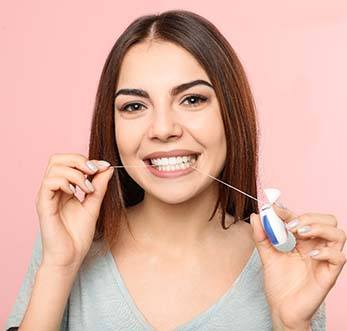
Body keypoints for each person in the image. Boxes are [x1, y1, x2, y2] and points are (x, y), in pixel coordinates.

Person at [5, 9, 346, 331]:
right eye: (135, 106)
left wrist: (290, 325)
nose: (163, 129)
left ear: (232, 114)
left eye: (192, 100)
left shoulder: (287, 263)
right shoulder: (66, 245)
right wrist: (59, 267)